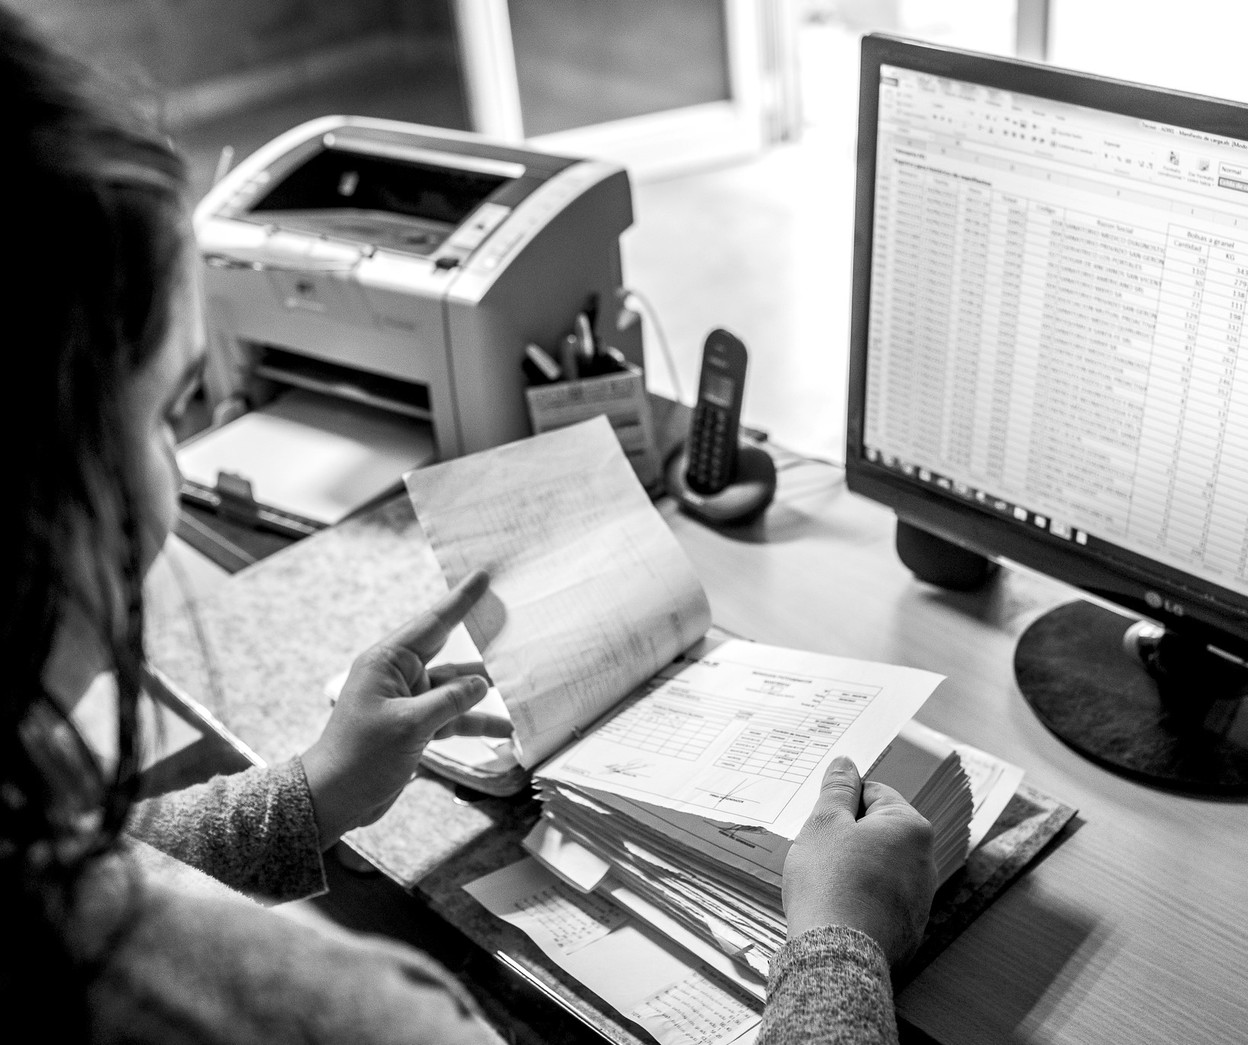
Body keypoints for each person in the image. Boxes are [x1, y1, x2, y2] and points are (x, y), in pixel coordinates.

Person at [0, 7, 936, 1043]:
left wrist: (310, 793)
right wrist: (843, 942)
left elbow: (116, 850)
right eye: (169, 406)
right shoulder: (337, 1017)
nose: (179, 464)